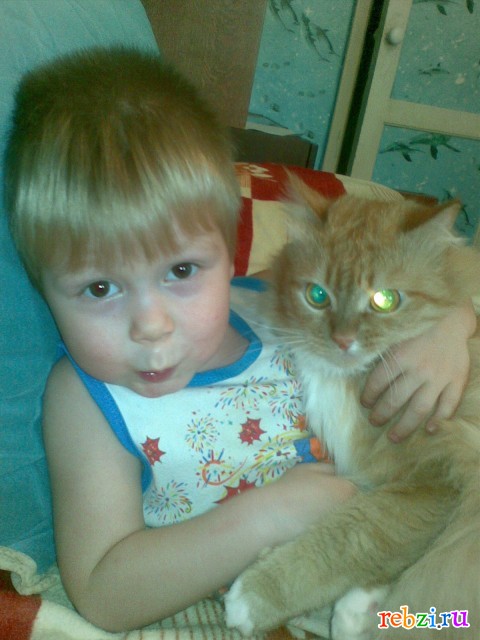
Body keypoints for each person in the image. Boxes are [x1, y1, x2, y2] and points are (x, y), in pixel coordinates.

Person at [4, 47, 475, 632]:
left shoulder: (279, 308)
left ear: (230, 256)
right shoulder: (87, 400)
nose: (151, 325)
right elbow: (103, 592)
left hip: (404, 565)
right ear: (43, 290)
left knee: (446, 619)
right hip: (330, 591)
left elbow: (405, 286)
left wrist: (454, 323)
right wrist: (267, 516)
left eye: (181, 271)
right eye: (100, 287)